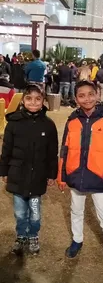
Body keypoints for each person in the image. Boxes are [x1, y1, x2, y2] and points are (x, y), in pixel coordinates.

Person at [57, 80, 103, 280]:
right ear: (76, 98)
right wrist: (62, 175)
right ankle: (77, 240)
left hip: (99, 178)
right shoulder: (72, 121)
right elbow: (64, 149)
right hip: (76, 175)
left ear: (97, 95)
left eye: (90, 94)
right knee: (76, 210)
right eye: (81, 95)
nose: (86, 99)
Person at [0, 84, 58, 256]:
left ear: (43, 101)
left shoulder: (48, 125)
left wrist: (52, 173)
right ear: (23, 100)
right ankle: (21, 235)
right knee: (19, 212)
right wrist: (3, 171)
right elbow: (6, 150)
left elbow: (52, 153)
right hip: (17, 175)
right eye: (29, 98)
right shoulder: (13, 123)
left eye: (38, 99)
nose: (33, 102)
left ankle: (33, 235)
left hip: (37, 177)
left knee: (35, 213)